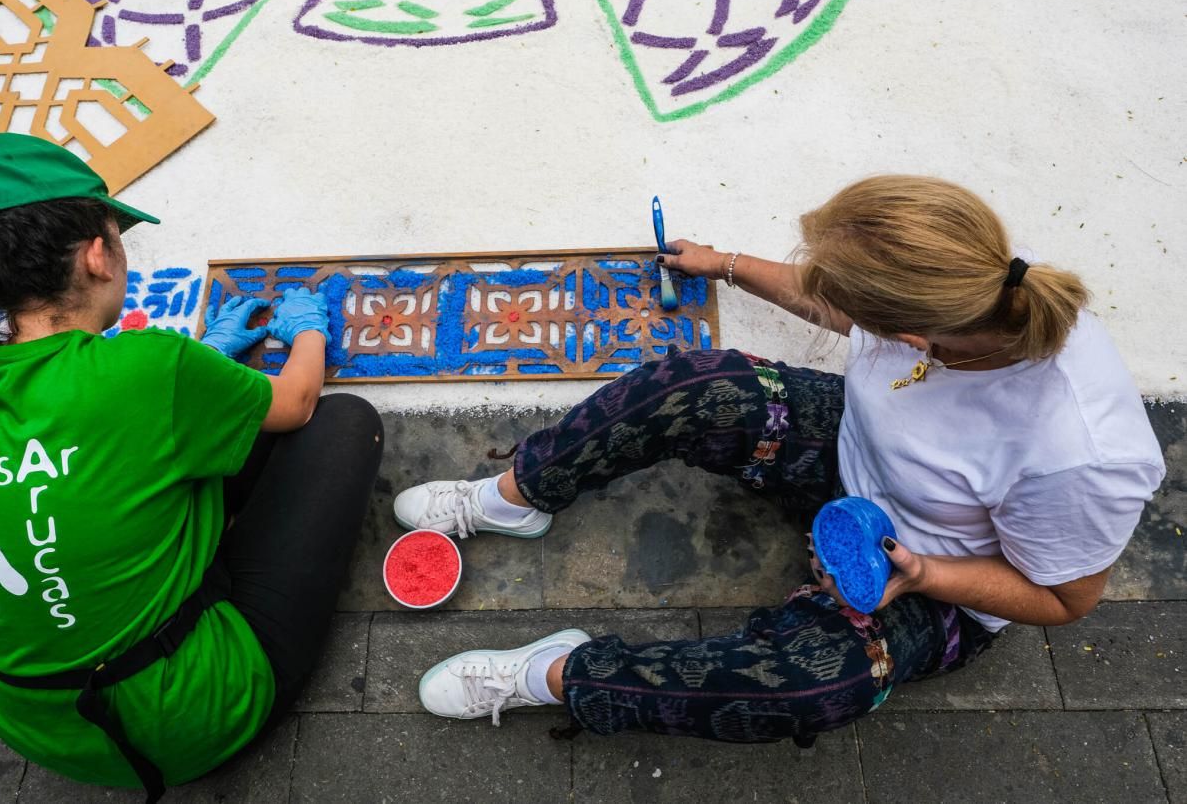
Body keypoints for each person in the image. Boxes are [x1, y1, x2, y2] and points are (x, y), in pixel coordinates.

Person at [396, 175, 1165, 742]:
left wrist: (923, 575)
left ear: (913, 338)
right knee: (699, 383)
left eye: (860, 312)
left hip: (930, 580)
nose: (838, 312)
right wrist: (725, 264)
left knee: (802, 691)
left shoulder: (1079, 456)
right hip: (849, 451)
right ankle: (519, 494)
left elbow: (1068, 602)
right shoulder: (968, 279)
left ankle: (561, 673)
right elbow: (834, 296)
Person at [0, 133, 382, 802]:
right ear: (99, 255)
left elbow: (82, 423)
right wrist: (308, 331)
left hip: (35, 723)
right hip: (186, 717)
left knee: (158, 457)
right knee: (345, 427)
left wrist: (207, 360)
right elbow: (298, 402)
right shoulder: (149, 368)